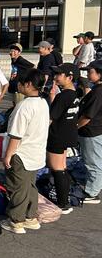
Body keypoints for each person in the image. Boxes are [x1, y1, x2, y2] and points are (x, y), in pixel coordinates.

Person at [0, 70, 50, 234]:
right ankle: (30, 217)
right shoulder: (43, 103)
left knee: (17, 187)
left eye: (20, 83)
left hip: (22, 152)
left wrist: (8, 155)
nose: (18, 86)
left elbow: (16, 134)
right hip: (36, 151)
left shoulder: (24, 106)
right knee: (30, 186)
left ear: (28, 84)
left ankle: (16, 220)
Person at [47, 64, 81, 213]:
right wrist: (53, 97)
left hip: (57, 135)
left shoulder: (63, 96)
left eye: (59, 74)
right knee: (62, 167)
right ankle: (64, 199)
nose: (55, 77)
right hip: (68, 134)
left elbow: (52, 117)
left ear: (70, 77)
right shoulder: (73, 94)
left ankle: (63, 203)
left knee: (57, 168)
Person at [77, 60, 102, 203]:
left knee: (93, 163)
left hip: (92, 131)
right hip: (96, 130)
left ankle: (92, 193)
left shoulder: (98, 92)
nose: (87, 74)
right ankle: (95, 186)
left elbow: (88, 116)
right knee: (96, 161)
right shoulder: (96, 89)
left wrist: (75, 127)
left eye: (90, 72)